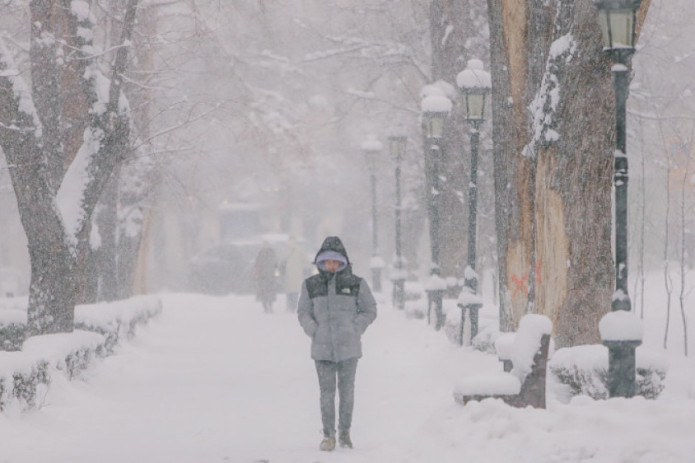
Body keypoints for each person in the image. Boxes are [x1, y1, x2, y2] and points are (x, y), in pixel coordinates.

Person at [297, 236, 377, 451]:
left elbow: (370, 309)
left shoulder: (355, 283)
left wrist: (356, 327)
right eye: (327, 261)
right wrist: (313, 330)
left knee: (347, 392)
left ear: (343, 262)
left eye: (335, 261)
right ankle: (328, 435)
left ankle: (345, 432)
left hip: (349, 348)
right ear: (320, 262)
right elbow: (303, 312)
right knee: (326, 393)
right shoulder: (311, 285)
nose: (331, 266)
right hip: (322, 349)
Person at [280, 236, 306, 312]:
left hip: (288, 273)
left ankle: (289, 306)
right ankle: (293, 306)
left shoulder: (285, 250)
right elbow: (305, 259)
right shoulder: (299, 250)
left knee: (289, 292)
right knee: (295, 291)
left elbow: (282, 260)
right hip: (297, 273)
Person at [253, 241, 277, 313]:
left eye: (266, 245)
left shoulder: (272, 253)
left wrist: (276, 275)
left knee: (270, 292)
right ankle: (265, 307)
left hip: (271, 276)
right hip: (262, 277)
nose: (265, 246)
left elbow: (276, 265)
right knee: (263, 292)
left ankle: (270, 306)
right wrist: (257, 274)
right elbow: (257, 265)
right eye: (264, 245)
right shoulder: (260, 254)